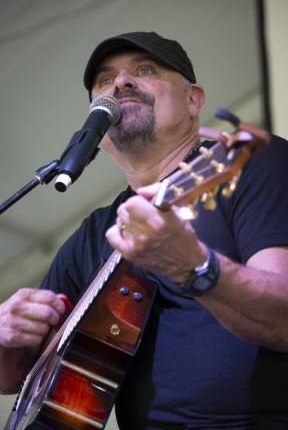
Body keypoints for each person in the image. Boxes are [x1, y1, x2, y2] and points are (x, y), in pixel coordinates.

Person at [1, 31, 288, 430]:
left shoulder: (248, 166)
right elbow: (13, 378)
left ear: (193, 100)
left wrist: (196, 268)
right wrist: (5, 336)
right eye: (105, 80)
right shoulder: (92, 234)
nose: (120, 83)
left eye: (145, 69)